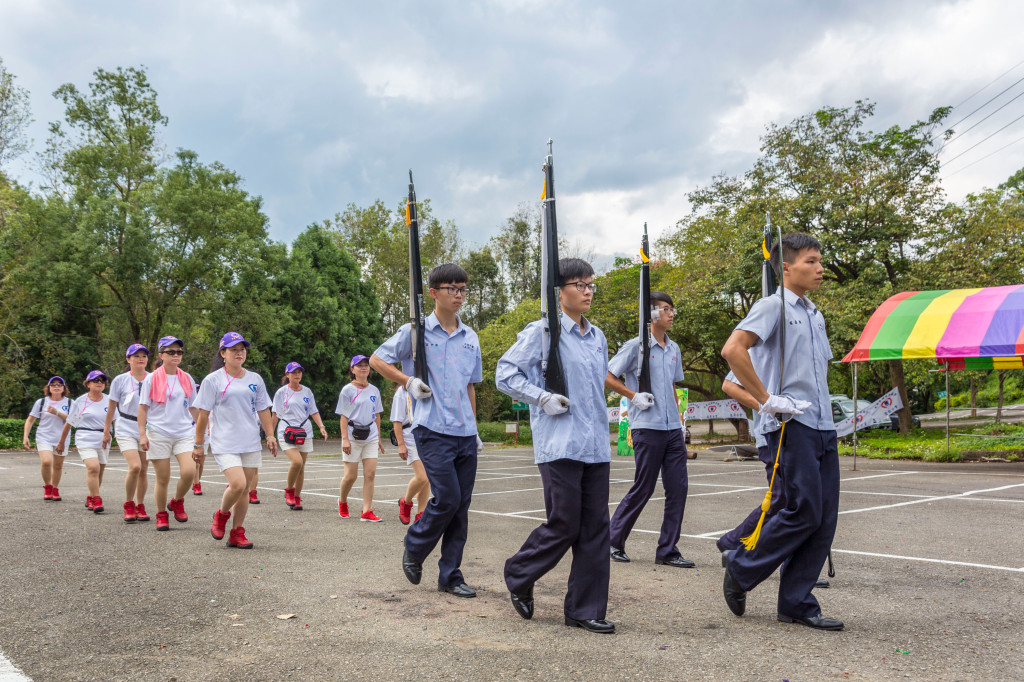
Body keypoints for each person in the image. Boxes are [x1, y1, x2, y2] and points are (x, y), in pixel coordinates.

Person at [719, 232, 842, 631]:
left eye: (820, 260)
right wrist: (767, 399)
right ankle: (741, 565)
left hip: (822, 425)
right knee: (802, 509)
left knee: (822, 519)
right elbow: (733, 350)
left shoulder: (814, 313)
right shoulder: (772, 306)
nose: (820, 268)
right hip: (791, 426)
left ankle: (796, 602)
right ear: (786, 268)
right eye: (810, 261)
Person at [496, 258, 615, 634]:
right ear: (559, 292)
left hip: (594, 444)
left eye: (591, 284)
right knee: (565, 523)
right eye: (579, 284)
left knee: (596, 528)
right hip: (560, 443)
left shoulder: (597, 337)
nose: (587, 291)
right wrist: (541, 397)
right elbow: (505, 374)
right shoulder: (543, 332)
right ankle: (519, 572)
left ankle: (584, 609)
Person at [371, 263, 483, 599]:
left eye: (463, 288)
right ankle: (415, 543)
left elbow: (471, 387)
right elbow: (377, 360)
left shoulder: (470, 337)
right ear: (433, 292)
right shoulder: (415, 332)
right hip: (432, 428)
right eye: (452, 288)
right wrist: (408, 381)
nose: (459, 295)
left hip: (464, 430)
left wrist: (475, 428)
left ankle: (450, 574)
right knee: (446, 498)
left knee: (460, 507)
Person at [719, 370, 831, 590]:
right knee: (786, 500)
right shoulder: (758, 344)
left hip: (804, 434)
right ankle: (735, 545)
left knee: (792, 502)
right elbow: (729, 385)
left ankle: (736, 544)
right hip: (775, 434)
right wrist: (764, 405)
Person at [605, 291, 693, 568]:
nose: (670, 314)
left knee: (678, 489)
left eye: (672, 309)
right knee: (644, 486)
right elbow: (606, 375)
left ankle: (667, 550)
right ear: (652, 314)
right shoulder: (636, 347)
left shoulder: (674, 348)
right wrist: (633, 395)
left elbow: (673, 386)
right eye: (665, 309)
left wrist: (681, 422)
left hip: (672, 429)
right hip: (647, 427)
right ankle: (612, 540)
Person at [192, 332, 278, 549]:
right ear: (223, 353)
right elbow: (203, 414)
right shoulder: (213, 380)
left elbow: (263, 409)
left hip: (249, 441)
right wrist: (198, 444)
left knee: (245, 489)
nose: (239, 353)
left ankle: (237, 532)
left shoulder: (255, 379)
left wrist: (270, 435)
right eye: (233, 350)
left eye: (242, 349)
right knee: (237, 484)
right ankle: (221, 514)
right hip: (224, 441)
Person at [138, 336, 198, 532]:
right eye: (170, 352)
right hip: (158, 432)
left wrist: (202, 430)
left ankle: (178, 501)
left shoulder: (187, 378)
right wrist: (143, 434)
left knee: (189, 472)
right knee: (163, 478)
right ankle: (161, 513)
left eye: (179, 352)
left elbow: (194, 408)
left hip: (183, 432)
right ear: (161, 355)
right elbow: (143, 408)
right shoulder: (151, 378)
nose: (175, 355)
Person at [103, 343, 152, 523]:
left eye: (144, 356)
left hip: (147, 428)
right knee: (135, 466)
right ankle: (129, 503)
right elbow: (111, 407)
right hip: (125, 425)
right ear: (128, 359)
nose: (140, 359)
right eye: (136, 355)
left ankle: (140, 505)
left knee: (144, 469)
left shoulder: (153, 378)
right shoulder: (120, 380)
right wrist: (106, 431)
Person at [272, 361, 328, 511]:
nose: (297, 375)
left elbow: (313, 411)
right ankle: (289, 490)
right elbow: (275, 414)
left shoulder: (307, 392)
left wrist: (321, 426)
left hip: (304, 431)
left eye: (299, 372)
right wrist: (270, 435)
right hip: (286, 431)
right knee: (296, 462)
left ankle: (296, 497)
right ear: (287, 374)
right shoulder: (281, 392)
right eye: (294, 372)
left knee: (301, 467)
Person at [335, 355, 385, 521]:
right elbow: (344, 417)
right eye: (359, 365)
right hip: (352, 435)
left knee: (370, 474)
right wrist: (345, 439)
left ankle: (366, 511)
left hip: (370, 435)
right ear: (352, 370)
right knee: (351, 476)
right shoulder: (348, 391)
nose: (363, 368)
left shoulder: (374, 390)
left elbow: (376, 415)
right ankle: (342, 501)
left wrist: (378, 437)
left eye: (366, 365)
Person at [56, 370, 114, 513]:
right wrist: (61, 442)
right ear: (88, 384)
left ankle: (91, 496)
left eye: (102, 380)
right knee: (93, 467)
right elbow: (69, 422)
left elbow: (116, 420)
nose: (99, 383)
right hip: (85, 437)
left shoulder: (109, 400)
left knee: (100, 471)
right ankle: (96, 500)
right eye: (95, 380)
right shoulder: (81, 401)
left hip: (104, 438)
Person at [22, 376, 71, 501]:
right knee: (47, 461)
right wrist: (25, 436)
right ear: (48, 387)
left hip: (62, 438)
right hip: (44, 436)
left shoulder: (70, 403)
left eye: (59, 384)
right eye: (53, 384)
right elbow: (30, 420)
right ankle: (48, 486)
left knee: (58, 466)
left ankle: (55, 489)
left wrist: (57, 412)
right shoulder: (41, 402)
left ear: (64, 388)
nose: (56, 386)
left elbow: (74, 420)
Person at [391, 384, 430, 524]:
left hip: (428, 434)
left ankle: (421, 514)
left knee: (428, 478)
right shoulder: (402, 392)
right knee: (422, 476)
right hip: (410, 435)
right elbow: (396, 420)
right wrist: (401, 444)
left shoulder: (429, 385)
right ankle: (405, 502)